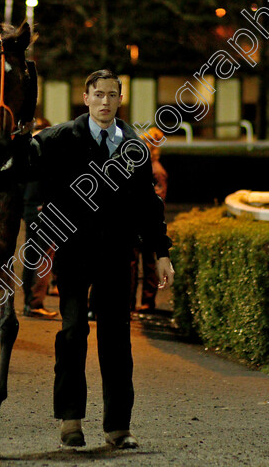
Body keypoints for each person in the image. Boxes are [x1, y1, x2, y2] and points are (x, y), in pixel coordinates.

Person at [27, 70, 174, 449]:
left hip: (116, 255)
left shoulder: (134, 147)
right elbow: (32, 192)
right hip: (73, 255)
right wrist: (41, 238)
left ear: (120, 100)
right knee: (73, 332)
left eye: (112, 95)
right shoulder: (57, 140)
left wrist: (161, 253)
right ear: (86, 97)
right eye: (99, 94)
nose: (106, 101)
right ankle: (71, 419)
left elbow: (149, 204)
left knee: (117, 340)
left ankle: (118, 427)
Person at [21, 118, 58, 319]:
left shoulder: (24, 152)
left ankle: (29, 300)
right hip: (45, 210)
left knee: (31, 256)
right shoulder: (45, 153)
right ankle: (35, 303)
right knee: (44, 257)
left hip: (29, 209)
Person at [131, 127, 168, 313]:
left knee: (147, 263)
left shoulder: (156, 171)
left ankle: (147, 301)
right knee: (138, 263)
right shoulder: (147, 168)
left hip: (146, 223)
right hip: (140, 221)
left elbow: (157, 201)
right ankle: (137, 301)